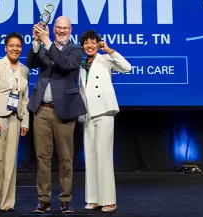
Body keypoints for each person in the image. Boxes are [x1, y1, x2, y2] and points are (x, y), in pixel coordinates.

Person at [27, 16, 86, 213]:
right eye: (58, 28)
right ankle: (43, 200)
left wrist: (46, 42)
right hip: (41, 109)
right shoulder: (43, 45)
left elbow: (66, 65)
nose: (62, 31)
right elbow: (30, 62)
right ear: (53, 29)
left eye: (65, 28)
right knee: (42, 157)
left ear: (70, 30)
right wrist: (36, 42)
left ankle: (65, 200)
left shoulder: (76, 49)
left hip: (65, 110)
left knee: (65, 158)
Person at [78, 30, 131, 213]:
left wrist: (110, 50)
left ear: (98, 44)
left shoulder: (105, 59)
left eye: (93, 42)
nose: (90, 46)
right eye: (86, 43)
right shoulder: (81, 63)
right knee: (90, 156)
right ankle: (93, 198)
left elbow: (127, 67)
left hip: (104, 111)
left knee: (104, 156)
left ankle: (109, 200)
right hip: (87, 113)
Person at [0, 32, 30, 213]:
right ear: (5, 47)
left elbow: (25, 98)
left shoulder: (24, 70)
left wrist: (25, 121)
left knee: (11, 161)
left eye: (18, 46)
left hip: (15, 118)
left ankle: (8, 202)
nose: (15, 49)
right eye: (12, 45)